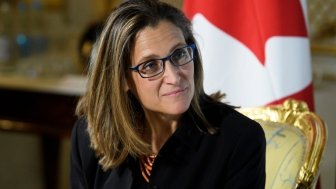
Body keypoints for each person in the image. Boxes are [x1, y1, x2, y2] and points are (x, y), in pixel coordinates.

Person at [70, 0, 266, 188]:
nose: (174, 76)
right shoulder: (89, 136)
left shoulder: (240, 139)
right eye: (150, 65)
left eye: (179, 54)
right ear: (122, 79)